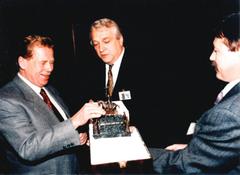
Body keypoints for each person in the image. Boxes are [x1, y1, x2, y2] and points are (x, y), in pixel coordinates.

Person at [0, 35, 105, 174]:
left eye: (52, 62)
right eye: (43, 62)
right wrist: (75, 121)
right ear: (22, 62)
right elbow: (28, 148)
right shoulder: (6, 99)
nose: (49, 68)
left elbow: (59, 128)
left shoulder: (49, 89)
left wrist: (78, 137)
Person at [149, 12, 240, 173]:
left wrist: (136, 154)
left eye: (217, 51)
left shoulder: (228, 114)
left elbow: (184, 166)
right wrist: (198, 149)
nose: (211, 57)